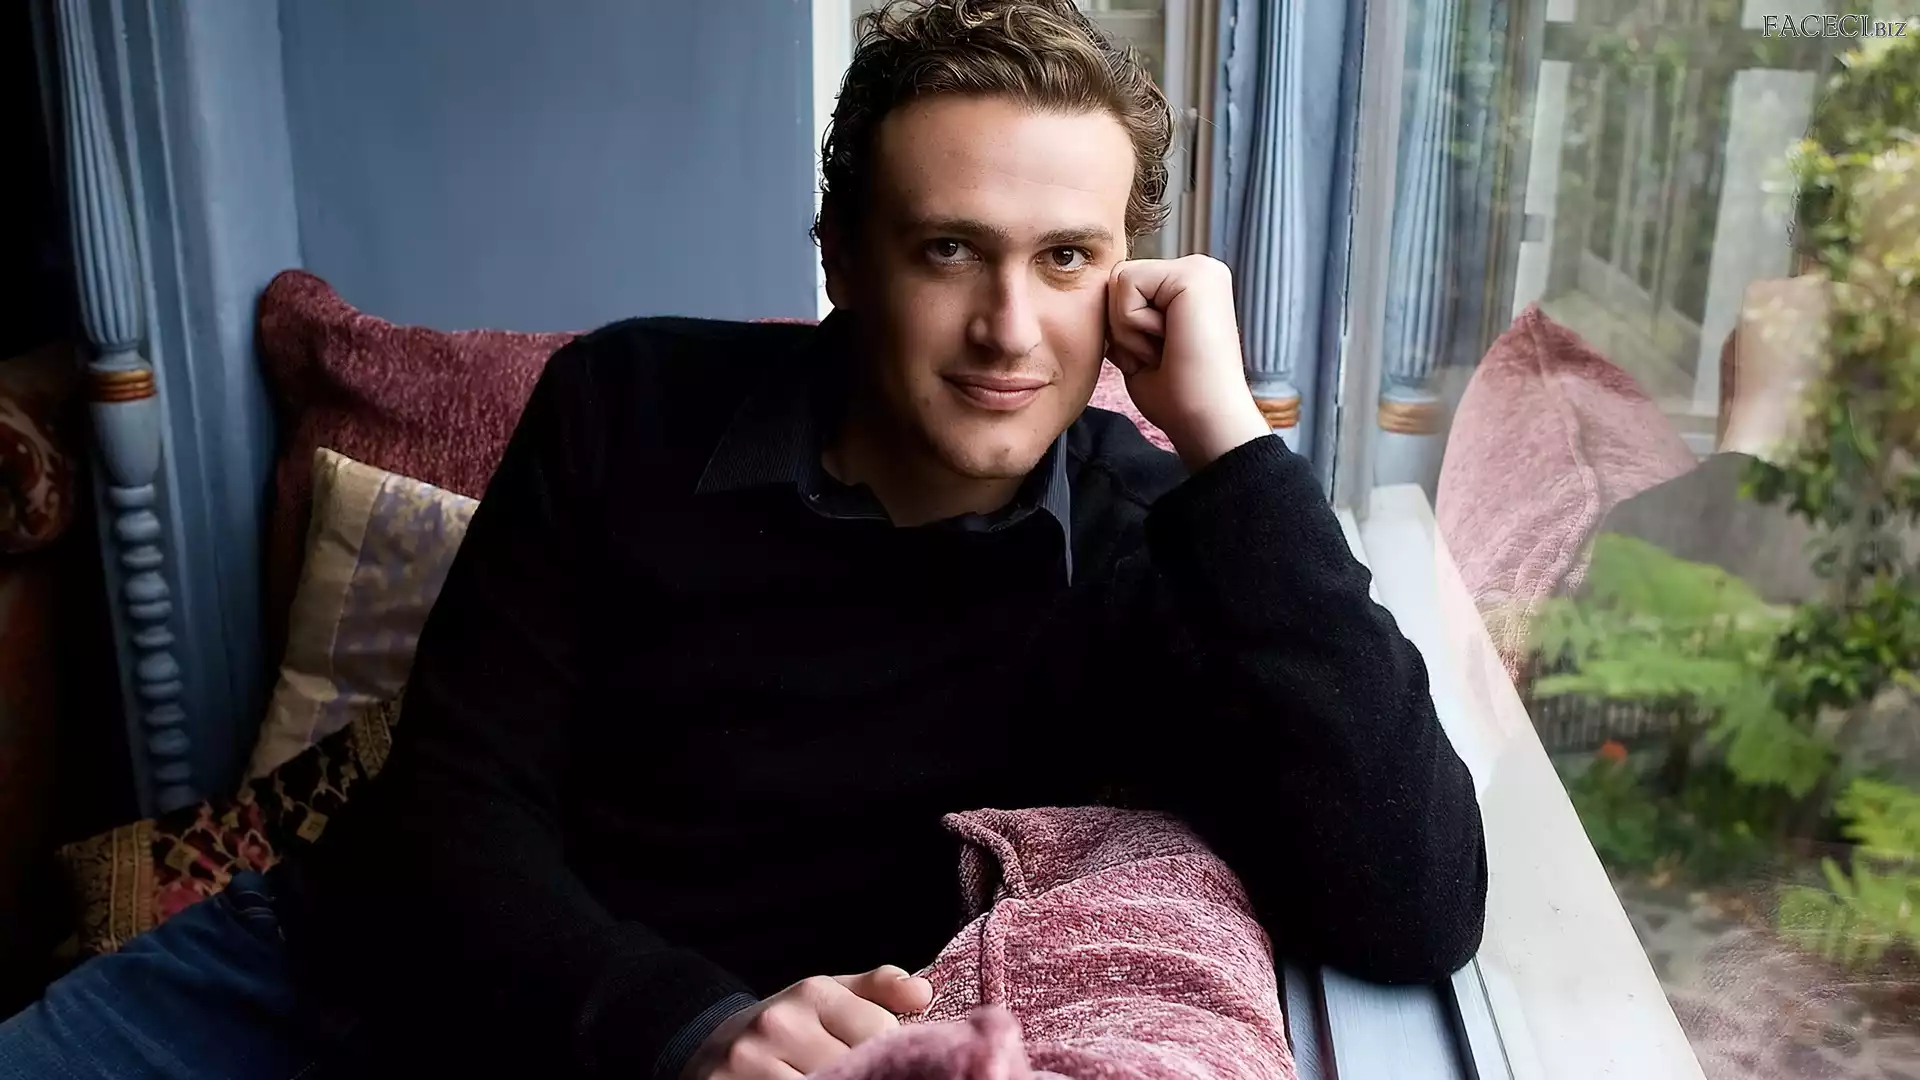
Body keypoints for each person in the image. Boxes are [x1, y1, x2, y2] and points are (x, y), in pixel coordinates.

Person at [0, 1, 1486, 1076]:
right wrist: (692, 1026)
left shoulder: (1161, 542)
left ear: (1127, 279)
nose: (1008, 329)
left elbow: (1416, 901)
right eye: (949, 248)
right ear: (841, 255)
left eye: (1066, 260)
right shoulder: (629, 404)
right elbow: (454, 804)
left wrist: (1231, 444)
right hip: (336, 969)